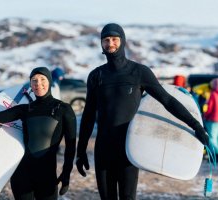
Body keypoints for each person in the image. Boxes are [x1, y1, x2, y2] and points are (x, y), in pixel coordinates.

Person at [75, 23, 209, 200]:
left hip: (130, 149)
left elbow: (167, 100)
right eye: (106, 40)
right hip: (104, 148)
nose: (110, 43)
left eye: (115, 39)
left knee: (128, 197)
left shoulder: (139, 72)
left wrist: (196, 126)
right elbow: (89, 114)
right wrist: (81, 150)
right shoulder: (96, 75)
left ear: (122, 41)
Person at [0, 67, 77, 200]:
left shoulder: (63, 109)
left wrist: (66, 172)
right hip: (21, 176)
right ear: (31, 85)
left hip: (46, 176)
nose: (38, 84)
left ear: (49, 82)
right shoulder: (25, 109)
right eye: (34, 80)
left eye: (42, 79)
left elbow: (71, 144)